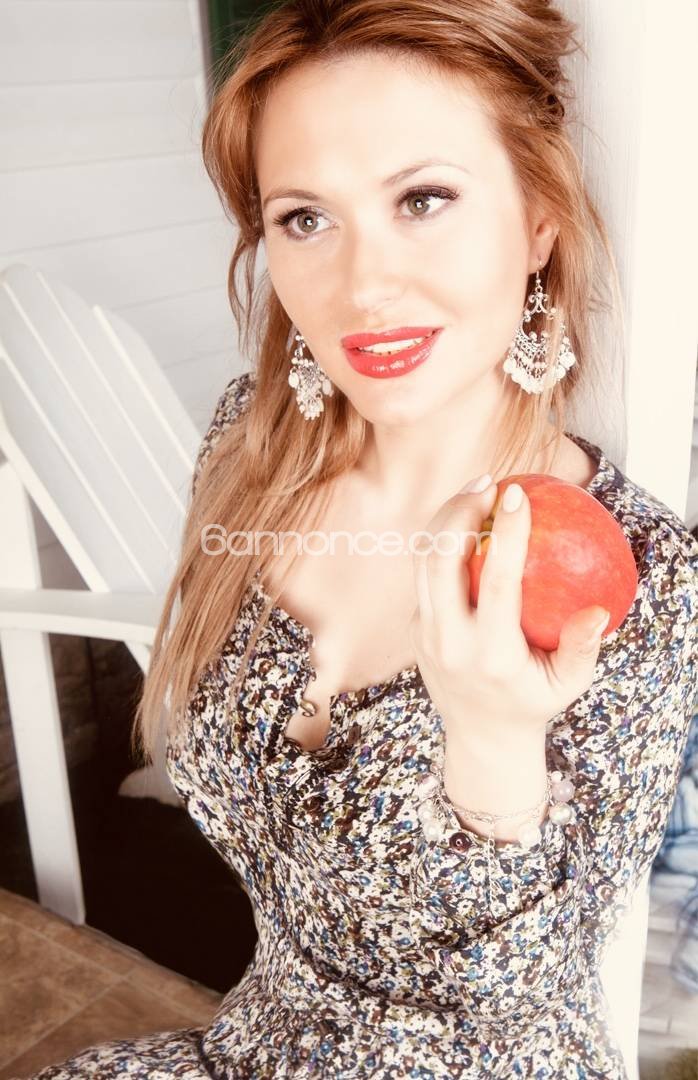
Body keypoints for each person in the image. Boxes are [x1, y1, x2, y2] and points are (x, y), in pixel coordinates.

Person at [28, 0, 698, 1077]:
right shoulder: (250, 455)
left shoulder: (642, 573)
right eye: (305, 218)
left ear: (538, 218)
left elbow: (505, 1001)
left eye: (422, 199)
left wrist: (492, 744)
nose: (364, 286)